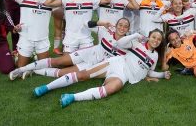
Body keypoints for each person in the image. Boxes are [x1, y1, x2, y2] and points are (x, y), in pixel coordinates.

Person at [33, 30, 170, 108]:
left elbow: (149, 71)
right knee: (82, 75)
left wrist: (163, 75)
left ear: (160, 42)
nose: (156, 40)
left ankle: (72, 97)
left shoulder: (156, 56)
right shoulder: (137, 43)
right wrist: (135, 35)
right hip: (116, 63)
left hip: (124, 75)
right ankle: (46, 88)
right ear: (149, 37)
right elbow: (120, 42)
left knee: (111, 89)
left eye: (159, 39)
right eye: (154, 37)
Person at [8, 18, 131, 80]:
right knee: (58, 62)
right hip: (88, 53)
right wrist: (100, 23)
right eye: (120, 25)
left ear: (128, 30)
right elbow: (86, 25)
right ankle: (21, 69)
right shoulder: (107, 31)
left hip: (94, 64)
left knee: (62, 73)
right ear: (116, 25)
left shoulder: (130, 43)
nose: (122, 28)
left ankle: (34, 70)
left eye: (126, 26)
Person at [44, 0, 111, 53]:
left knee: (87, 63)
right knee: (67, 63)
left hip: (86, 38)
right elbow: (47, 3)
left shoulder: (90, 0)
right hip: (70, 38)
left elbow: (107, 0)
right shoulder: (66, 0)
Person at [3, 0, 52, 67]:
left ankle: (35, 55)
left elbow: (62, 2)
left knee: (45, 67)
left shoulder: (49, 1)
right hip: (26, 38)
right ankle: (18, 55)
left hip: (42, 39)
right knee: (20, 66)